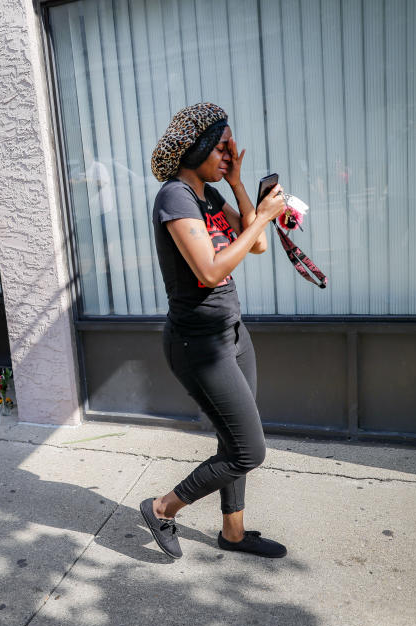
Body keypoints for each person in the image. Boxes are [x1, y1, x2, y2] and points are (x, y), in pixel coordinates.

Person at [140, 102, 288, 559]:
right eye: (222, 145)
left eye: (230, 146)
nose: (230, 152)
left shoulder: (209, 195)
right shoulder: (175, 197)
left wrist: (240, 186)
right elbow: (207, 270)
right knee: (249, 451)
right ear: (198, 146)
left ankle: (234, 534)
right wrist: (263, 215)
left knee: (234, 441)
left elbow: (258, 244)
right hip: (198, 345)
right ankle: (163, 506)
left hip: (234, 336)